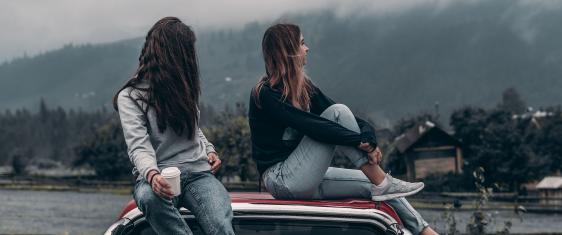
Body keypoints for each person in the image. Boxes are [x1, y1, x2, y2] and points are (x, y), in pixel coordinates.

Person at [249, 23, 438, 235]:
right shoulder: (265, 93)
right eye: (302, 43)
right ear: (289, 51)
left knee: (374, 187)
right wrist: (357, 142)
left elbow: (349, 119)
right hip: (281, 179)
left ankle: (425, 231)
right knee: (337, 112)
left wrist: (368, 137)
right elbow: (312, 125)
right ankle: (382, 180)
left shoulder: (304, 88)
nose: (307, 48)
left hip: (308, 177)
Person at [113, 17, 234, 235]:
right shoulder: (130, 96)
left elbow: (194, 129)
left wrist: (209, 150)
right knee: (148, 197)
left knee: (220, 226)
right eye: (186, 51)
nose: (191, 58)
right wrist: (152, 175)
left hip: (199, 173)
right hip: (159, 175)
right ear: (173, 54)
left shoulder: (184, 86)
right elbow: (138, 145)